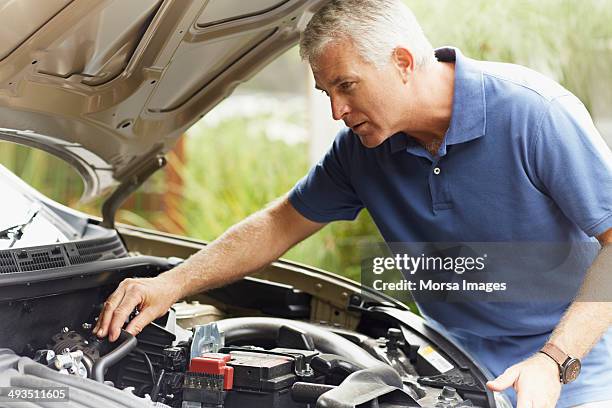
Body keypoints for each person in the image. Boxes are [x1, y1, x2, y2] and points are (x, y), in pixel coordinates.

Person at [94, 1, 612, 407]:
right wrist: (171, 282)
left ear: (404, 62)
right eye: (326, 94)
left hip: (578, 360)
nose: (339, 110)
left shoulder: (534, 115)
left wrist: (553, 361)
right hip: (455, 359)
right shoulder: (362, 150)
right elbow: (280, 223)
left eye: (347, 86)